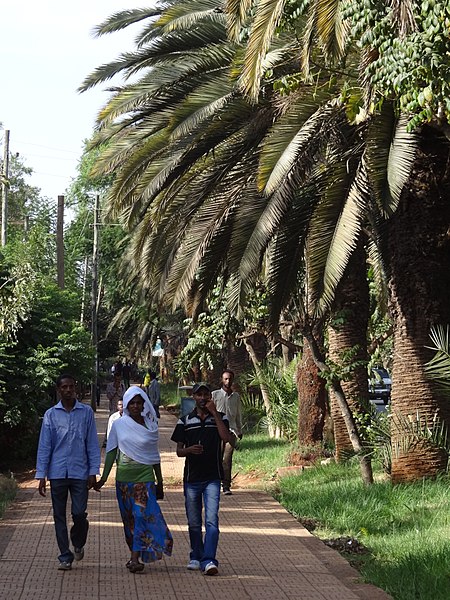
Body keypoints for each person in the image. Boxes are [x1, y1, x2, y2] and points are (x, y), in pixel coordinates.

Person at [95, 386, 173, 573]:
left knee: (140, 516)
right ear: (127, 405)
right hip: (123, 481)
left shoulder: (151, 426)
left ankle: (135, 558)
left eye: (139, 402)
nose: (136, 406)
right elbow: (112, 452)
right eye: (133, 403)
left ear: (144, 404)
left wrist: (160, 482)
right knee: (128, 519)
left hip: (144, 479)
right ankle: (134, 553)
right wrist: (103, 479)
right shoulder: (119, 425)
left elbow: (154, 456)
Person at [35, 373, 100, 571]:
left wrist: (93, 471)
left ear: (76, 388)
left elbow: (92, 444)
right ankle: (65, 555)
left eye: (71, 386)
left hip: (80, 472)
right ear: (59, 390)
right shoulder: (50, 415)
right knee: (59, 515)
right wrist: (41, 475)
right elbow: (45, 446)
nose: (68, 390)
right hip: (57, 473)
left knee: (79, 513)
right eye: (64, 387)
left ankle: (78, 542)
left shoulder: (86, 412)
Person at [171, 382, 232, 576]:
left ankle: (209, 559)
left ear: (210, 398)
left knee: (212, 520)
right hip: (192, 478)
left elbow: (227, 438)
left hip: (213, 477)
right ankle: (195, 555)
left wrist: (215, 414)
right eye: (199, 395)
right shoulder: (185, 420)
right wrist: (189, 450)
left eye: (206, 394)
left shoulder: (221, 418)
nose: (203, 398)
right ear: (194, 398)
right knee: (194, 521)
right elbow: (179, 451)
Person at [212, 369, 243, 495]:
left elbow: (238, 415)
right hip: (217, 431)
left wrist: (239, 430)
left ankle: (226, 485)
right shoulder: (215, 395)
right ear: (222, 380)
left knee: (227, 459)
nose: (228, 381)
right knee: (216, 457)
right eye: (225, 379)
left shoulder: (236, 397)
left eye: (230, 379)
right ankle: (214, 483)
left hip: (232, 432)